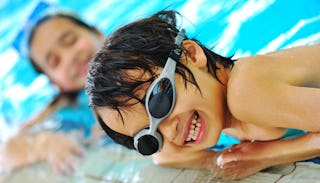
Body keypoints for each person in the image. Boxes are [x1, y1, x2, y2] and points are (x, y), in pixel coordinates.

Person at [86, 10, 320, 180]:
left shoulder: (245, 93)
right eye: (149, 138)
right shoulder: (212, 108)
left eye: (158, 102)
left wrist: (266, 156)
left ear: (190, 54)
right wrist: (217, 160)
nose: (169, 131)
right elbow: (165, 157)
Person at [0, 11, 105, 174]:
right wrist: (46, 144)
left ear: (97, 33)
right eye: (55, 62)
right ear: (54, 82)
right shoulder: (68, 108)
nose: (70, 57)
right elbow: (7, 151)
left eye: (71, 41)